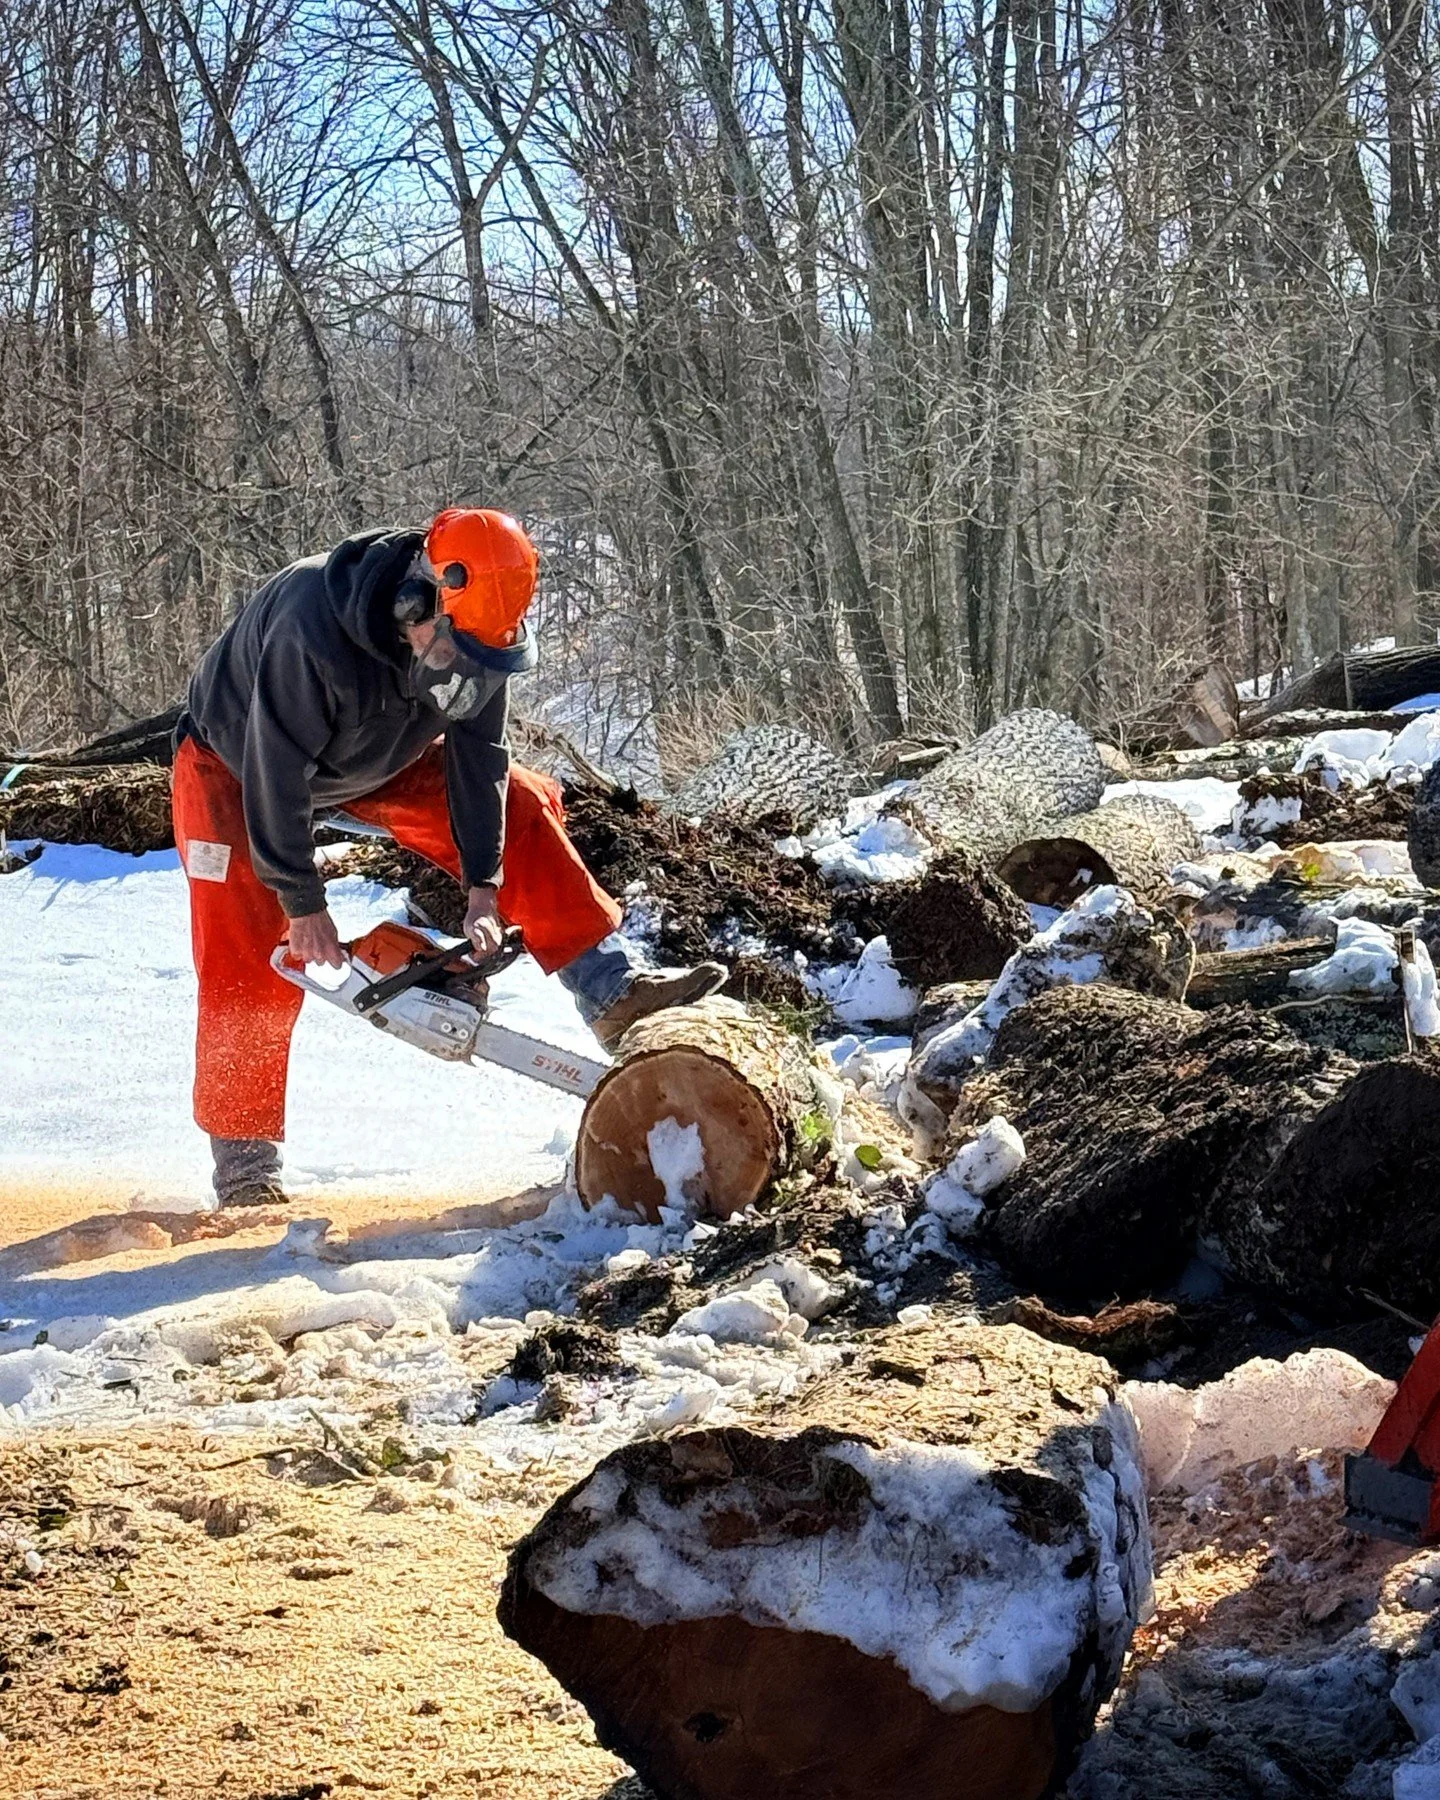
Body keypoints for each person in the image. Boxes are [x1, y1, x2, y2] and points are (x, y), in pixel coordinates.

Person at [172, 509, 724, 1207]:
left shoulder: (477, 641)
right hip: (235, 765)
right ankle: (245, 1163)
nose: (463, 674)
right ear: (415, 603)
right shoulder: (308, 626)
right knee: (246, 952)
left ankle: (611, 989)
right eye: (454, 651)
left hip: (376, 757)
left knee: (523, 803)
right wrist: (302, 902)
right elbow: (274, 769)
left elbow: (480, 761)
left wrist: (483, 885)